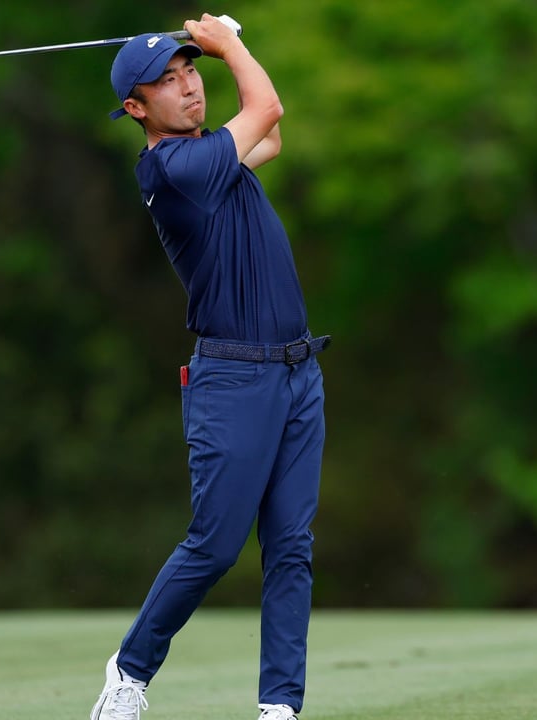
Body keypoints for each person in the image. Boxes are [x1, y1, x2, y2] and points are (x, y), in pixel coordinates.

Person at [89, 13, 329, 720]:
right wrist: (230, 44)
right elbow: (269, 109)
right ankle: (129, 671)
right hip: (233, 380)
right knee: (218, 545)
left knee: (290, 549)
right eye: (167, 82)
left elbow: (271, 136)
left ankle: (280, 708)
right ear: (136, 109)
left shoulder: (211, 156)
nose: (189, 86)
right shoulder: (174, 169)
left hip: (296, 375)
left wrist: (223, 55)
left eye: (191, 70)